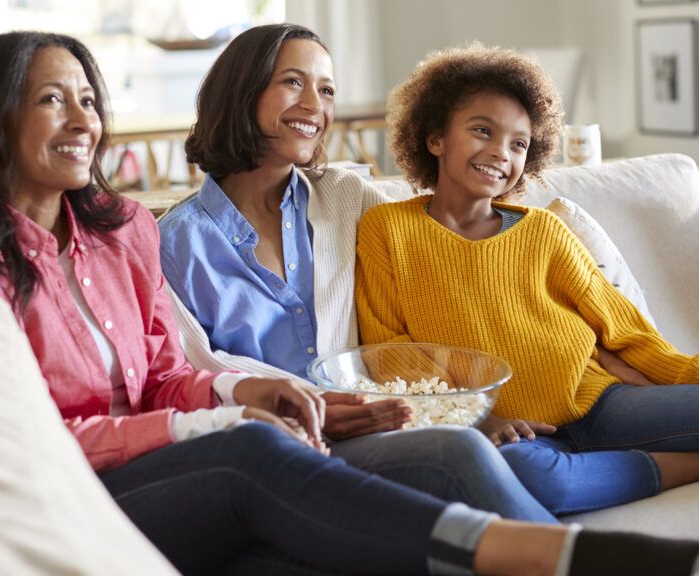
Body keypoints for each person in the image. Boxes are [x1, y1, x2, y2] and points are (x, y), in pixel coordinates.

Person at [0, 30, 699, 576]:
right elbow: (19, 443)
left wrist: (239, 394)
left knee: (414, 476)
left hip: (271, 445)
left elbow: (165, 372)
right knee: (251, 462)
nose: (83, 120)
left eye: (88, 99)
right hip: (86, 487)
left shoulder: (119, 233)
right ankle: (553, 558)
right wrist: (214, 422)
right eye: (51, 99)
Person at [354, 43, 699, 576]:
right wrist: (482, 417)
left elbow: (624, 329)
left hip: (601, 404)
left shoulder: (542, 231)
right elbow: (393, 355)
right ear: (433, 138)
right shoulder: (386, 230)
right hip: (517, 435)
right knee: (535, 482)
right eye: (482, 130)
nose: (501, 151)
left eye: (519, 143)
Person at [158, 22, 559, 522]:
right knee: (460, 456)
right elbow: (192, 371)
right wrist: (318, 404)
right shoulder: (175, 242)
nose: (314, 105)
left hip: (385, 421)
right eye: (292, 82)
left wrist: (545, 240)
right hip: (279, 443)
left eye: (326, 90)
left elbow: (432, 239)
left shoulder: (345, 199)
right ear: (242, 91)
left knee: (523, 462)